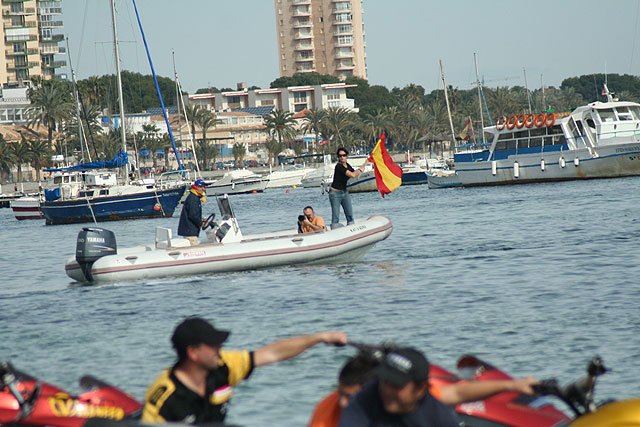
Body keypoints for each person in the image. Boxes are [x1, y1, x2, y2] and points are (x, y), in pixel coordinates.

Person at [142, 316, 347, 425]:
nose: (219, 349)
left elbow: (273, 353)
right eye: (213, 345)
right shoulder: (163, 398)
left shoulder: (224, 366)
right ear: (193, 353)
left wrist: (320, 337)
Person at [313, 347, 538, 427]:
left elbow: (457, 392)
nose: (342, 402)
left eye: (396, 385)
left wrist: (513, 384)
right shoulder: (338, 409)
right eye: (340, 393)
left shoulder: (433, 413)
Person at [328, 147, 366, 228]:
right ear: (338, 157)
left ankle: (351, 229)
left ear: (346, 156)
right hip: (335, 193)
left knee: (349, 215)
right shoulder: (339, 166)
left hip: (344, 192)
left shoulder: (347, 165)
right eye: (340, 156)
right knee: (335, 216)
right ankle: (334, 231)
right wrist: (360, 169)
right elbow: (352, 175)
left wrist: (364, 165)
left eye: (344, 155)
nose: (342, 157)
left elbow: (354, 173)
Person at [178, 179, 207, 246]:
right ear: (195, 187)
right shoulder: (193, 199)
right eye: (200, 187)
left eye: (203, 187)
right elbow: (193, 215)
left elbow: (193, 213)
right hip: (190, 232)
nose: (203, 189)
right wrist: (201, 224)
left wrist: (200, 219)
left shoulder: (194, 197)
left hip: (190, 230)